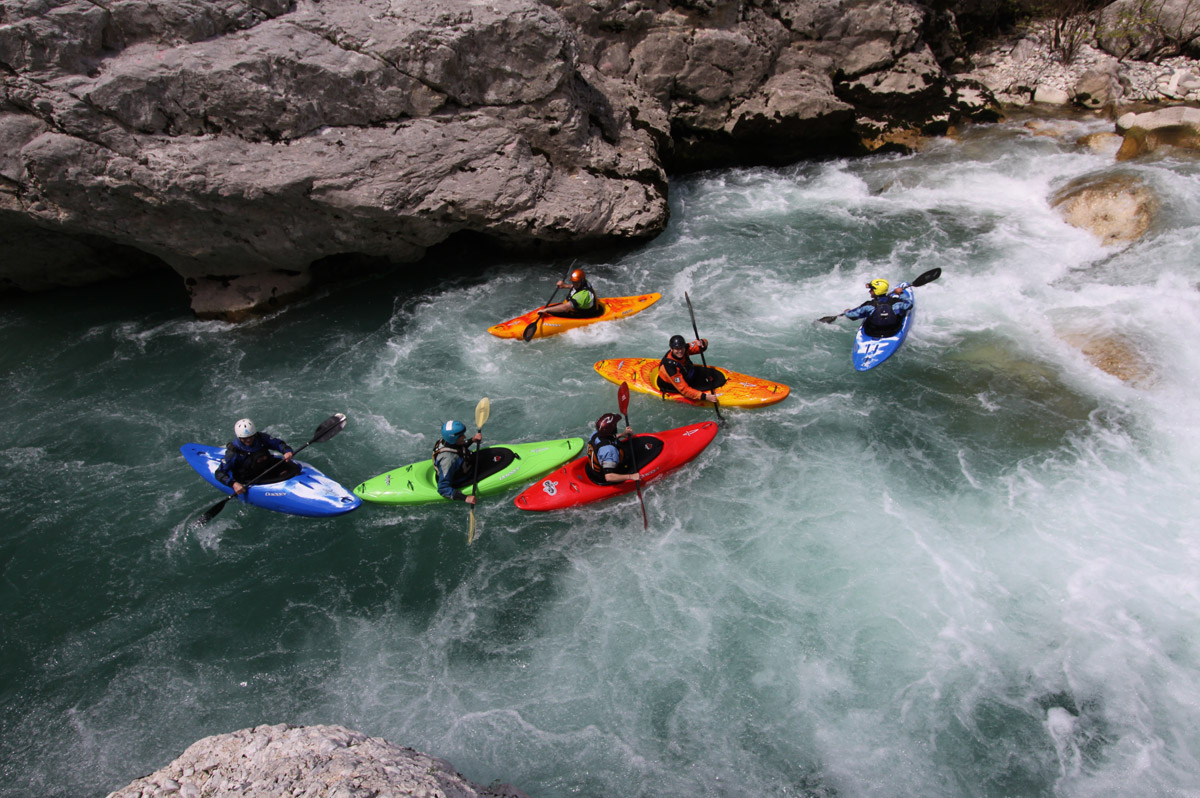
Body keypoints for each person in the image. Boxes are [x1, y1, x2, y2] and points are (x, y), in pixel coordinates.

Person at [216, 418, 295, 495]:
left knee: (292, 467)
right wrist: (233, 484)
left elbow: (278, 443)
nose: (248, 440)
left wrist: (286, 451)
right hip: (250, 477)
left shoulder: (261, 438)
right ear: (239, 437)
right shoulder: (233, 452)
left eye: (251, 437)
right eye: (245, 438)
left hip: (266, 467)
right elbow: (219, 473)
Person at [656, 334, 723, 403]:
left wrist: (702, 343)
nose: (680, 351)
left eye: (681, 348)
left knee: (713, 374)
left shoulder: (685, 348)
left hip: (687, 375)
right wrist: (704, 397)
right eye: (677, 349)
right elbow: (684, 390)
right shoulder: (670, 367)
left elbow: (703, 344)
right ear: (671, 349)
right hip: (673, 386)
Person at [432, 419, 483, 504]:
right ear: (453, 438)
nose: (465, 437)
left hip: (463, 465)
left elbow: (458, 448)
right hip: (460, 478)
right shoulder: (448, 460)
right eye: (461, 436)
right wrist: (465, 498)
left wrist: (472, 440)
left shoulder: (445, 441)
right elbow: (442, 489)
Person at [843, 278, 913, 338]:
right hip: (892, 332)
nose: (869, 291)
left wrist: (847, 312)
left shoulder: (868, 306)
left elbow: (852, 316)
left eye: (871, 290)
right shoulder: (896, 303)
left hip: (872, 333)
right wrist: (900, 294)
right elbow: (909, 304)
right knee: (900, 314)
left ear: (876, 291)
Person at [585, 412, 642, 484]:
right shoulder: (609, 450)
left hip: (595, 468)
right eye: (615, 425)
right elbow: (609, 477)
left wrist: (621, 434)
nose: (616, 426)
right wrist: (631, 476)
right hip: (605, 475)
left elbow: (603, 442)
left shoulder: (595, 434)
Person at [537, 268, 602, 319]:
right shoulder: (584, 282)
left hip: (584, 314)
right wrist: (564, 286)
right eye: (573, 282)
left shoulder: (583, 296)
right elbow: (576, 287)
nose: (574, 284)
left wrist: (546, 310)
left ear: (582, 281)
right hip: (580, 306)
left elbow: (565, 307)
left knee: (551, 311)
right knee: (551, 309)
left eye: (576, 282)